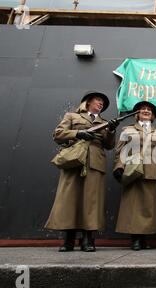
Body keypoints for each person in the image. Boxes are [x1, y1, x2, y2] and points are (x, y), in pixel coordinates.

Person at [45, 91, 119, 252]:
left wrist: (112, 131)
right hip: (74, 161)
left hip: (95, 162)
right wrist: (78, 133)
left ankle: (88, 238)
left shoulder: (104, 122)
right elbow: (58, 134)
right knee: (69, 199)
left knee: (91, 202)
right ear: (88, 102)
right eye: (98, 100)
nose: (101, 104)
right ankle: (68, 239)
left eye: (103, 103)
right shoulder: (72, 116)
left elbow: (109, 145)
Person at [113, 101, 156, 250]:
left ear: (153, 115)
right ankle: (135, 239)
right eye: (142, 109)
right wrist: (119, 167)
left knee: (148, 207)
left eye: (149, 109)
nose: (146, 111)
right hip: (132, 171)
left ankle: (145, 238)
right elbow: (120, 151)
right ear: (136, 114)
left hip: (152, 171)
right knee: (133, 206)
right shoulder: (127, 130)